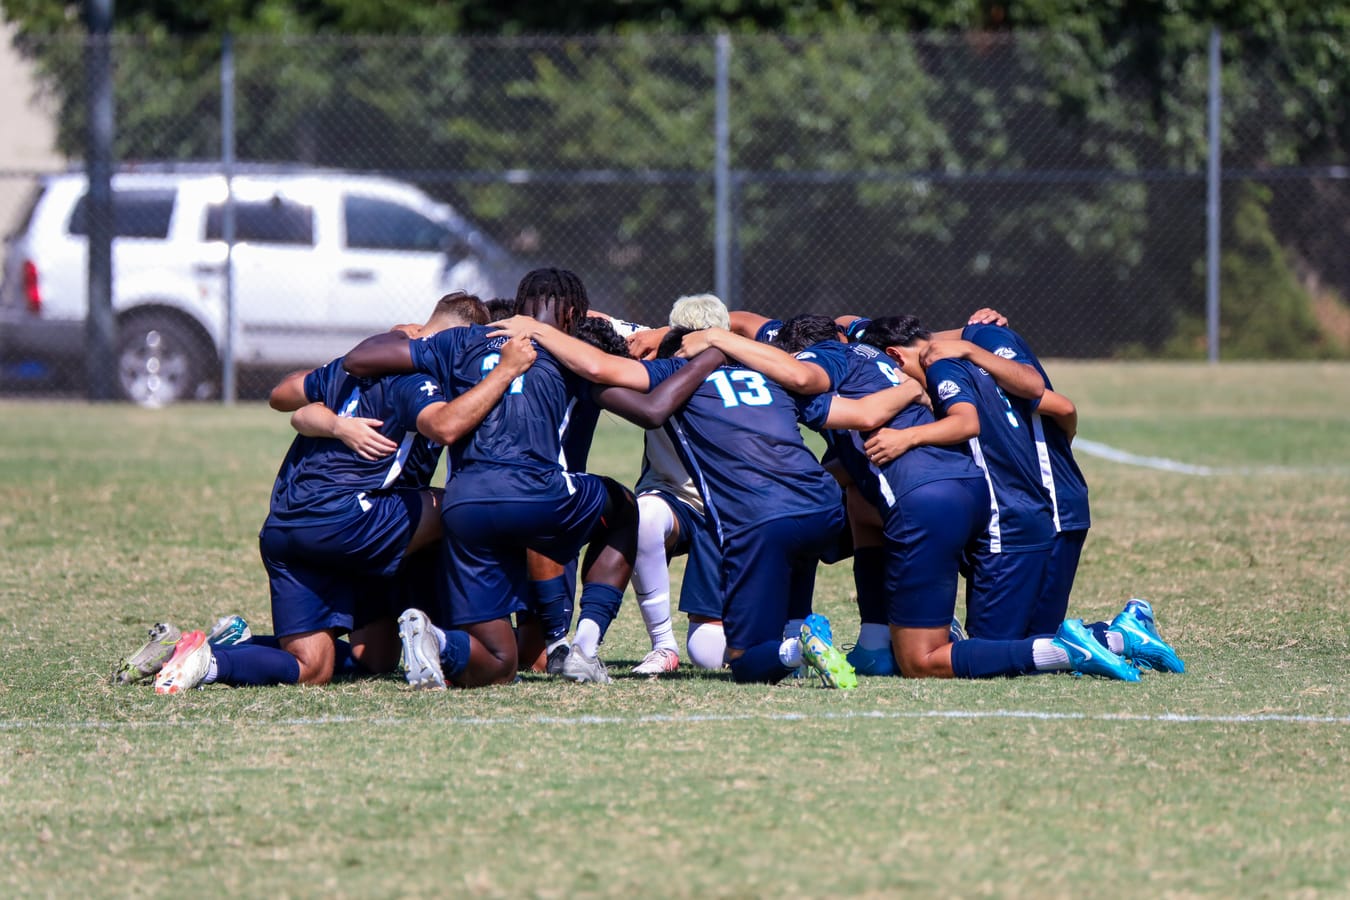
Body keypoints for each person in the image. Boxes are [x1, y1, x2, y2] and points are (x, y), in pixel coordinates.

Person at [140, 293, 541, 693]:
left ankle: (201, 657)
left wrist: (331, 421)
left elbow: (284, 394)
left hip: (286, 525)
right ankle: (467, 644)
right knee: (462, 509)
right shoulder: (417, 378)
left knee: (330, 665)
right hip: (344, 519)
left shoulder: (359, 365)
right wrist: (503, 372)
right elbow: (446, 427)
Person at [343, 268, 640, 687]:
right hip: (540, 496)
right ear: (573, 314)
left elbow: (358, 359)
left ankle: (437, 641)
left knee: (500, 665)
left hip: (466, 507)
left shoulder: (461, 341)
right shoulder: (574, 351)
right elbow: (649, 404)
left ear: (518, 309)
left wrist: (415, 336)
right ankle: (578, 649)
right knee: (624, 507)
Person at [857, 315, 1183, 677]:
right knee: (1035, 642)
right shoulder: (976, 365)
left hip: (1009, 520)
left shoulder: (946, 367)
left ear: (896, 356)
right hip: (1032, 512)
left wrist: (907, 437)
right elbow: (1057, 405)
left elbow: (979, 419)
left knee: (989, 654)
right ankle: (1119, 637)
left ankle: (1116, 637)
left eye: (892, 372)